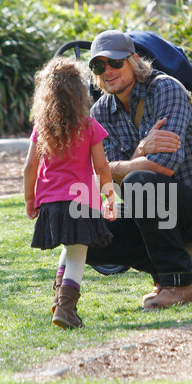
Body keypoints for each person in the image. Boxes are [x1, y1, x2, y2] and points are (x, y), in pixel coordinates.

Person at [85, 30, 192, 310]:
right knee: (81, 228)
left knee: (141, 181)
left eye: (115, 62)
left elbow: (164, 166)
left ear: (134, 60)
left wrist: (125, 166)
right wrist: (140, 152)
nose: (108, 71)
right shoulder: (99, 112)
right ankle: (162, 278)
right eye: (99, 66)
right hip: (148, 208)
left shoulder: (166, 89)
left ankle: (180, 284)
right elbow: (104, 175)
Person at [24, 56, 117, 330]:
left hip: (51, 202)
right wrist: (110, 198)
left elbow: (30, 166)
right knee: (78, 253)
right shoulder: (89, 126)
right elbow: (102, 166)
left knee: (69, 246)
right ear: (80, 92)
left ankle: (59, 301)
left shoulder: (42, 128)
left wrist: (30, 198)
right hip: (81, 202)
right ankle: (66, 309)